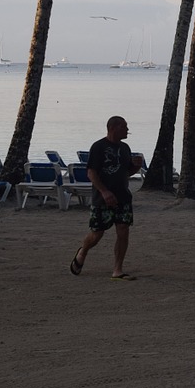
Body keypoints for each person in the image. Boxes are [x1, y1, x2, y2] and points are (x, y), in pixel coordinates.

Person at [70, 116, 143, 280]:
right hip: (102, 198)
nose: (127, 130)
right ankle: (83, 251)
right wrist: (104, 192)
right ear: (114, 127)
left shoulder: (125, 148)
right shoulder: (98, 147)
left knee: (123, 231)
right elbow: (91, 173)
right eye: (124, 127)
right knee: (97, 234)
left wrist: (136, 167)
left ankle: (118, 269)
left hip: (123, 197)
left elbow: (125, 172)